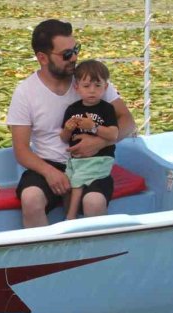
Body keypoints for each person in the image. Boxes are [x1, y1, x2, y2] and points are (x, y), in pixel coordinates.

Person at [6, 19, 135, 228]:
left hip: (91, 165)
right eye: (66, 54)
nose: (74, 57)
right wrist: (50, 173)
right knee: (30, 198)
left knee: (94, 202)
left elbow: (128, 122)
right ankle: (46, 257)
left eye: (75, 49)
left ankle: (93, 255)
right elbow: (21, 150)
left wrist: (100, 143)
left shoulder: (90, 81)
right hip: (49, 164)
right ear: (42, 58)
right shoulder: (25, 93)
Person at [60, 60, 119, 220]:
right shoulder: (72, 110)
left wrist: (93, 127)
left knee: (79, 180)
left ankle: (70, 217)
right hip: (76, 161)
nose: (92, 91)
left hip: (99, 160)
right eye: (86, 86)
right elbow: (64, 138)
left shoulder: (107, 109)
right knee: (70, 181)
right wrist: (67, 129)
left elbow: (113, 134)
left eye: (98, 86)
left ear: (105, 87)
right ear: (77, 87)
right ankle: (70, 217)